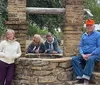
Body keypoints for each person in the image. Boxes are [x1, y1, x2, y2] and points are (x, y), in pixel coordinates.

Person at [72, 19, 100, 85]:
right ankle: (81, 76)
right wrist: (82, 54)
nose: (89, 27)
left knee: (90, 59)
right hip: (84, 54)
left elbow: (99, 47)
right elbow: (80, 46)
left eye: (90, 25)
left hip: (95, 54)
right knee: (74, 59)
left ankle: (86, 78)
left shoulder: (98, 35)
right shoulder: (83, 35)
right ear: (86, 26)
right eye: (87, 25)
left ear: (94, 26)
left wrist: (91, 54)